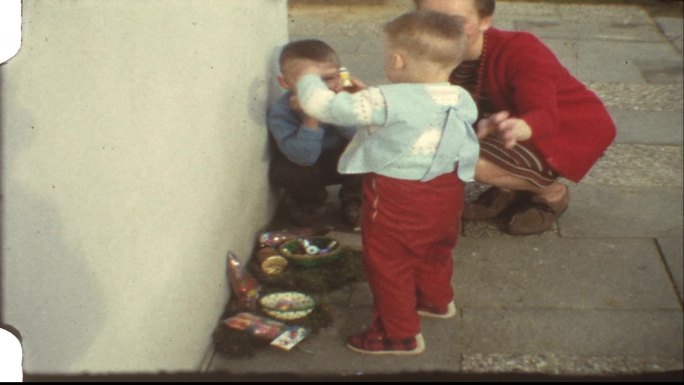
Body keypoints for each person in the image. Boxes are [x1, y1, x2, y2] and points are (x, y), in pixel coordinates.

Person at [292, 11, 478, 355]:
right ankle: (435, 301)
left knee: (389, 263)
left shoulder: (383, 101)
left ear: (396, 59)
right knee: (435, 249)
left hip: (398, 197)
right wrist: (369, 98)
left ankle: (399, 335)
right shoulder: (461, 97)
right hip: (446, 192)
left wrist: (307, 78)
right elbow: (417, 115)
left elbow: (326, 107)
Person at [415, 0, 617, 235]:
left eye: (457, 22)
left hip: (563, 130)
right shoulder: (428, 51)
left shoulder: (521, 49)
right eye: (429, 20)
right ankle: (510, 185)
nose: (441, 31)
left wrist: (523, 126)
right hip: (500, 126)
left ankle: (550, 192)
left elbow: (545, 115)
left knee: (468, 160)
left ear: (485, 21)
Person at [267, 39, 363, 230]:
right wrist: (310, 118)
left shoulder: (344, 98)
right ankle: (308, 204)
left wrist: (334, 111)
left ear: (339, 76)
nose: (321, 88)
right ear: (285, 83)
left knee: (367, 150)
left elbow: (357, 136)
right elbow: (304, 157)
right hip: (308, 163)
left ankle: (354, 199)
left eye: (328, 78)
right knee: (287, 171)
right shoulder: (281, 113)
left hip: (341, 157)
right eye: (308, 82)